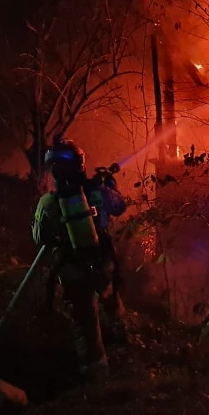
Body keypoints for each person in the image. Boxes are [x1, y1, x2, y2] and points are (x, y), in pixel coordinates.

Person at [32, 137, 127, 375]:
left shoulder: (48, 202)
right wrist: (111, 187)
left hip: (74, 272)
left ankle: (96, 372)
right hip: (103, 265)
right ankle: (119, 329)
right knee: (109, 294)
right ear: (81, 164)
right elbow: (120, 206)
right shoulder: (98, 192)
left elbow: (39, 237)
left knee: (85, 319)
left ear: (53, 170)